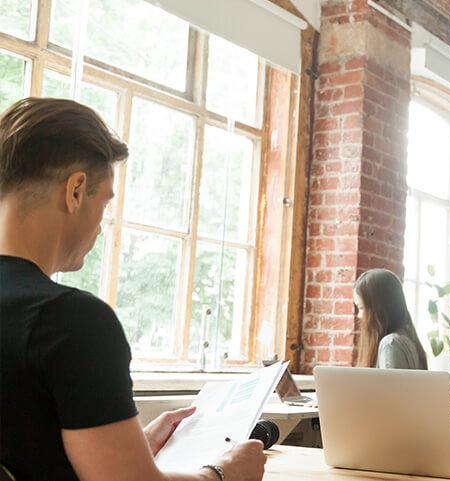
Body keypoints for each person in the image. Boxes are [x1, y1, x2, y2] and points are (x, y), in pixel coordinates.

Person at [0, 98, 265, 481]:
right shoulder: (70, 321)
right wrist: (223, 474)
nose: (101, 225)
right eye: (105, 202)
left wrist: (126, 445)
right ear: (76, 191)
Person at [353, 268, 427, 369]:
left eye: (361, 308)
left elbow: (390, 385)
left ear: (379, 310)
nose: (359, 315)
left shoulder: (391, 344)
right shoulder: (407, 338)